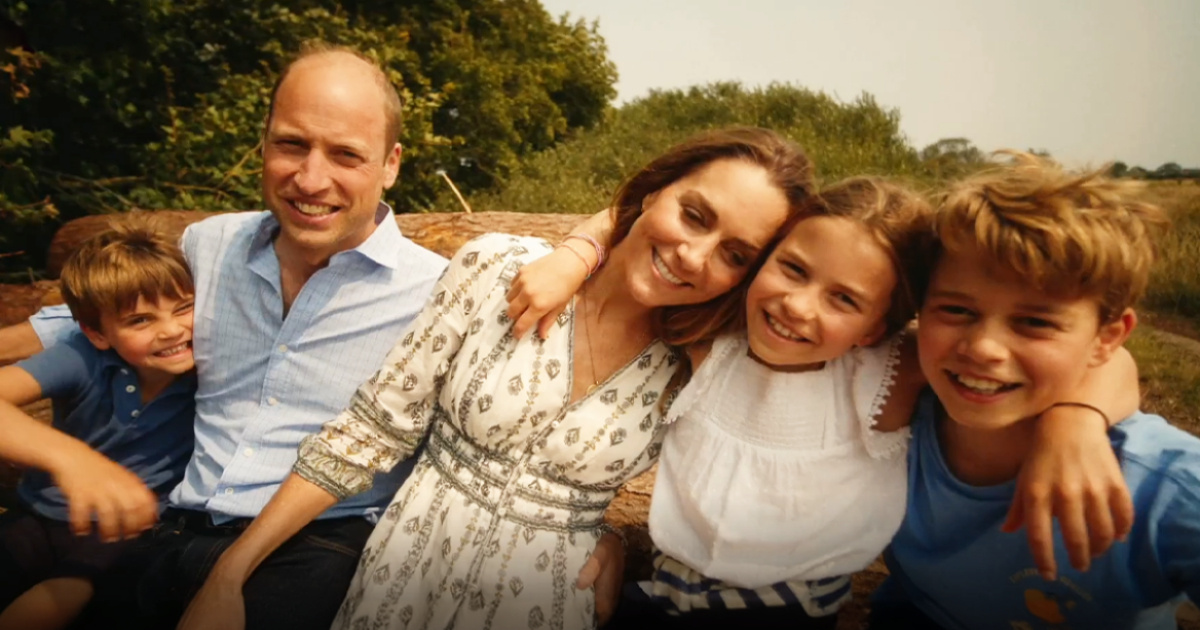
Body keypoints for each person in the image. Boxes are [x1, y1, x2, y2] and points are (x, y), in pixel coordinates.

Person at [176, 126, 818, 630]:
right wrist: (230, 572)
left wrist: (613, 535)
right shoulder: (498, 267)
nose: (694, 255)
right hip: (404, 583)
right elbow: (371, 431)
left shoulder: (697, 363)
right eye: (694, 215)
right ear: (654, 192)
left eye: (735, 254)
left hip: (548, 604)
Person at [508, 177, 1138, 630]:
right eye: (793, 269)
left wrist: (1074, 424)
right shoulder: (714, 339)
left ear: (875, 326)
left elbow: (1109, 358)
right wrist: (575, 254)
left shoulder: (885, 372)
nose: (798, 305)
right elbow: (638, 214)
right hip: (663, 597)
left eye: (844, 299)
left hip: (787, 616)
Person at [7, 43, 448, 629]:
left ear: (390, 164)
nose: (311, 178)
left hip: (318, 543)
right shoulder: (208, 246)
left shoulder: (437, 292)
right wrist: (70, 457)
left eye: (346, 154)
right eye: (291, 144)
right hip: (172, 525)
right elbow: (100, 320)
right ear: (263, 143)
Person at [868, 152, 1198, 629]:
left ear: (1107, 338)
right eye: (956, 310)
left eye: (1035, 322)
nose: (983, 348)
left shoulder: (1164, 488)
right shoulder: (889, 410)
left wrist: (1076, 420)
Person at [0, 221, 197, 630]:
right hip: (38, 512)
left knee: (68, 592)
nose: (172, 330)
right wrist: (72, 459)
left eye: (183, 308)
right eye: (140, 321)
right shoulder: (81, 356)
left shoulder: (210, 367)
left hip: (126, 527)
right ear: (98, 334)